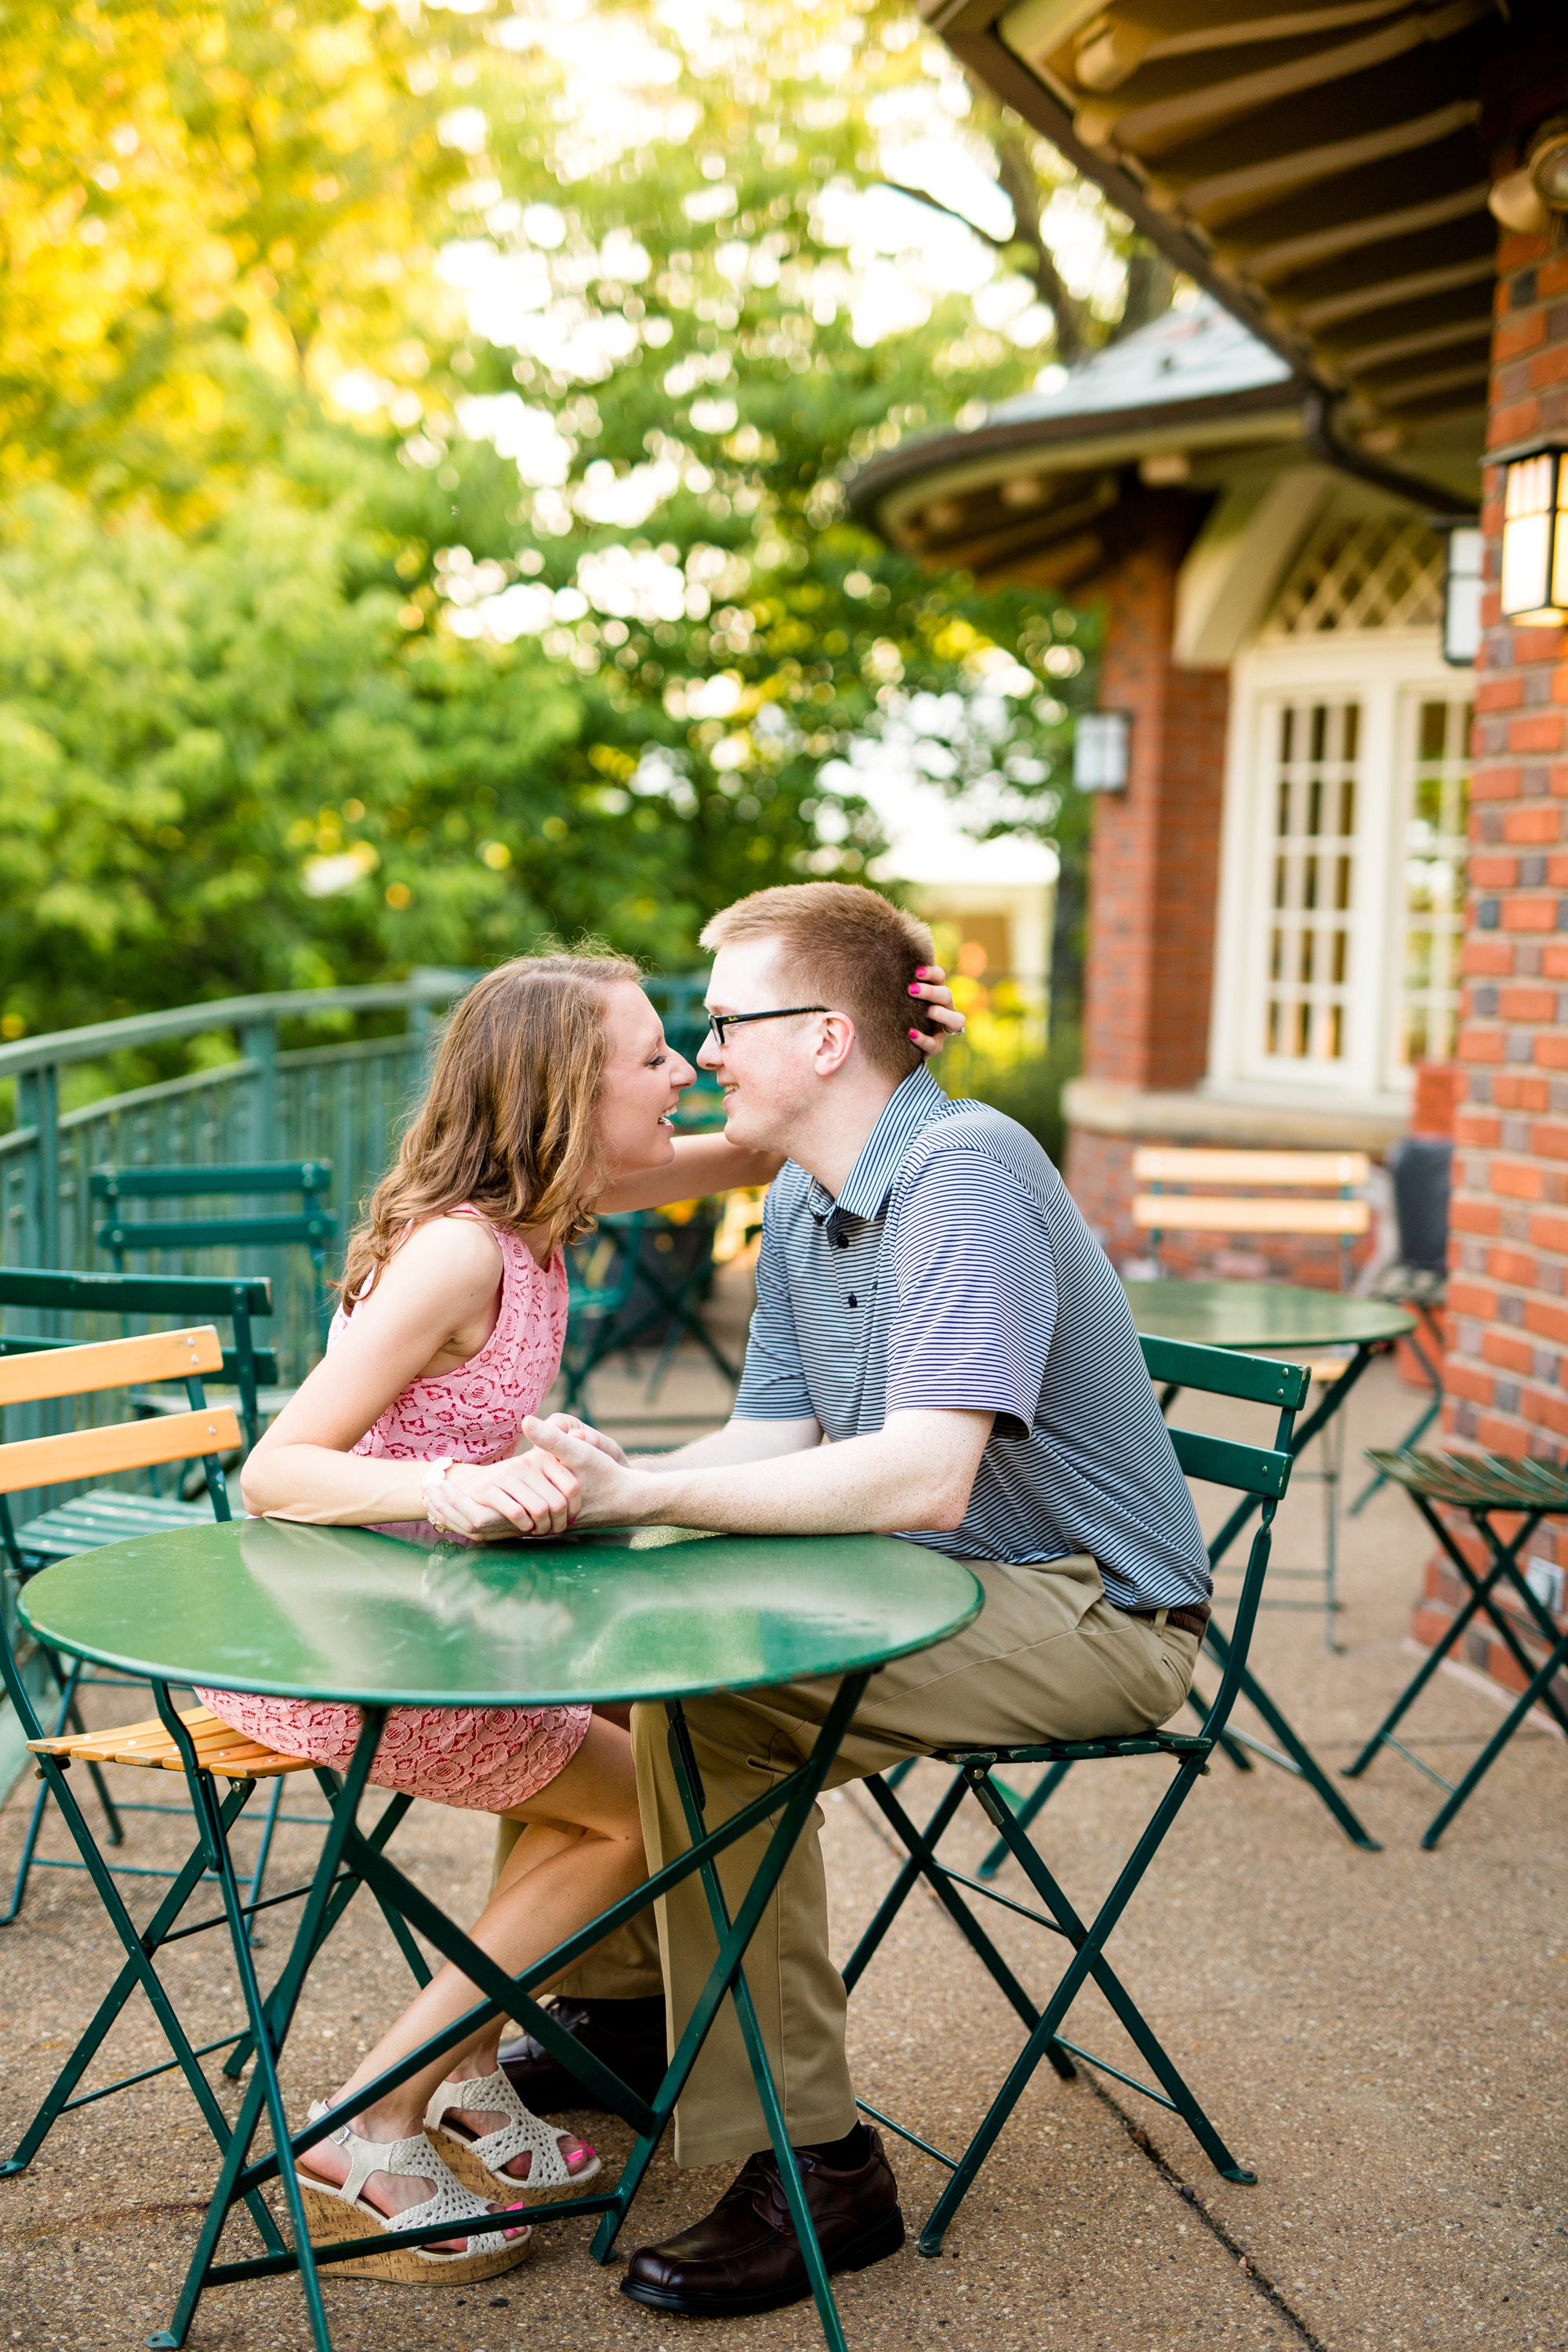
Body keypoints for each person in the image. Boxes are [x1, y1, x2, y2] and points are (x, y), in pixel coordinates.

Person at [474, 884, 1212, 2319]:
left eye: (722, 1023)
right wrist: (614, 1493)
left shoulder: (964, 1175)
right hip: (928, 1585)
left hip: (1088, 1614)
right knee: (607, 1612)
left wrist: (643, 1503)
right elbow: (775, 1443)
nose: (701, 1055)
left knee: (712, 1696)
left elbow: (931, 1478)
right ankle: (624, 2008)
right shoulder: (810, 1195)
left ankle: (816, 2165)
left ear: (823, 1039)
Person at [221, 946, 964, 2285]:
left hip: (449, 1632)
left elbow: (764, 1148)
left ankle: (463, 2077)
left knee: (629, 1738)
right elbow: (272, 1474)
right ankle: (371, 2116)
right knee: (643, 1803)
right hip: (357, 1653)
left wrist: (899, 1048)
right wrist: (456, 1488)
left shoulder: (552, 1209)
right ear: (569, 1093)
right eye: (652, 1056)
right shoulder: (457, 1253)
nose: (686, 1067)